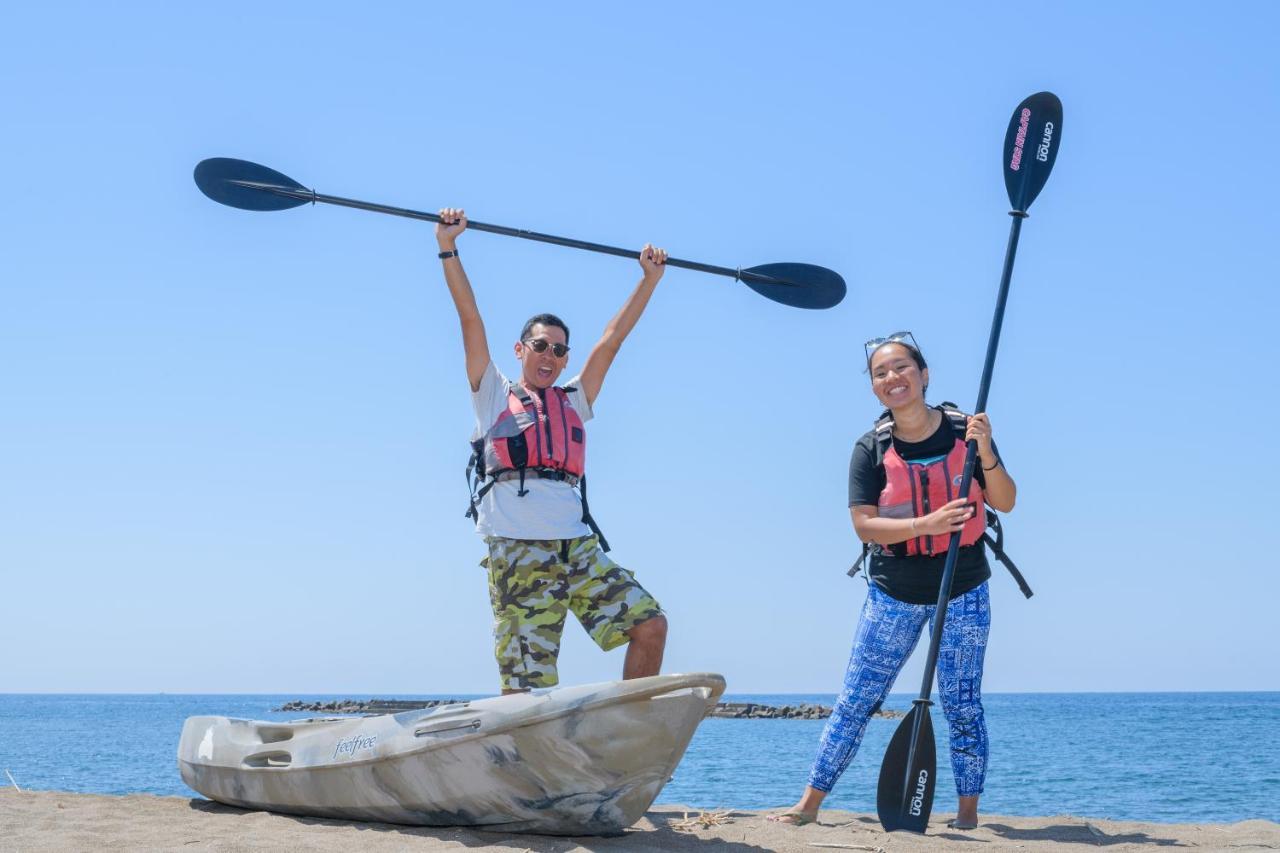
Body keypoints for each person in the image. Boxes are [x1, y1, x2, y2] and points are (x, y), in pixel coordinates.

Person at [770, 331, 1017, 830]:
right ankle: (809, 804)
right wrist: (922, 526)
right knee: (857, 698)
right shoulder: (869, 448)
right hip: (893, 593)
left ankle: (968, 814)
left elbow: (1006, 501)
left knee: (962, 704)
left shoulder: (965, 433)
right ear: (875, 388)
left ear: (923, 375)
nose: (892, 378)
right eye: (881, 373)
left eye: (902, 368)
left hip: (962, 588)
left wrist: (986, 450)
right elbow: (863, 523)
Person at [436, 207, 670, 695]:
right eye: (542, 346)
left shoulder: (574, 401)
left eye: (561, 350)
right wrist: (448, 247)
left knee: (650, 626)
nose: (552, 357)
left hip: (576, 548)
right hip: (518, 551)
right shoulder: (494, 394)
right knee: (527, 690)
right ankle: (520, 767)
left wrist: (648, 279)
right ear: (520, 350)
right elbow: (469, 318)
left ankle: (626, 736)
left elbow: (612, 340)